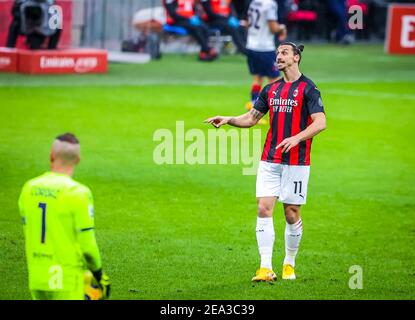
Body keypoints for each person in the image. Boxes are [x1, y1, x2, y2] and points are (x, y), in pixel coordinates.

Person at [205, 42, 326, 282]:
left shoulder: (309, 88)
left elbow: (320, 122)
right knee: (263, 208)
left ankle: (289, 263)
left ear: (296, 58)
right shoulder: (270, 89)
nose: (279, 57)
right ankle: (264, 267)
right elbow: (251, 118)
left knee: (291, 213)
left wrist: (297, 138)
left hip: (297, 162)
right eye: (277, 53)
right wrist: (228, 119)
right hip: (270, 159)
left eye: (284, 53)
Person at [18, 133, 110, 300]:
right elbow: (88, 247)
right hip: (66, 280)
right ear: (78, 160)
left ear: (51, 156)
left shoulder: (28, 189)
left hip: (37, 278)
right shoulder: (78, 193)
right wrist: (98, 273)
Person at [245, 0, 287, 119]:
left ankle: (253, 110)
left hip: (251, 45)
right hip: (264, 48)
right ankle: (277, 113)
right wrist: (282, 28)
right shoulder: (270, 4)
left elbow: (248, 22)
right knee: (275, 81)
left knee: (257, 79)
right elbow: (273, 28)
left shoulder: (254, 2)